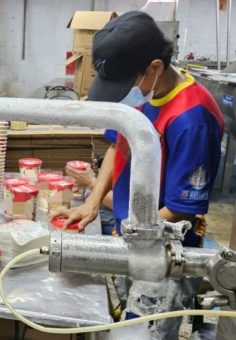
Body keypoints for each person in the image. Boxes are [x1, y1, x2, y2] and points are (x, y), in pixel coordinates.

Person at [58, 11, 224, 339]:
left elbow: (182, 208)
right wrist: (91, 203)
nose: (126, 92)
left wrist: (130, 243)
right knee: (125, 323)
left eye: (129, 82)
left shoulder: (192, 120)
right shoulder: (144, 96)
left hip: (163, 256)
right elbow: (119, 146)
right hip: (134, 238)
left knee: (145, 331)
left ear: (155, 68)